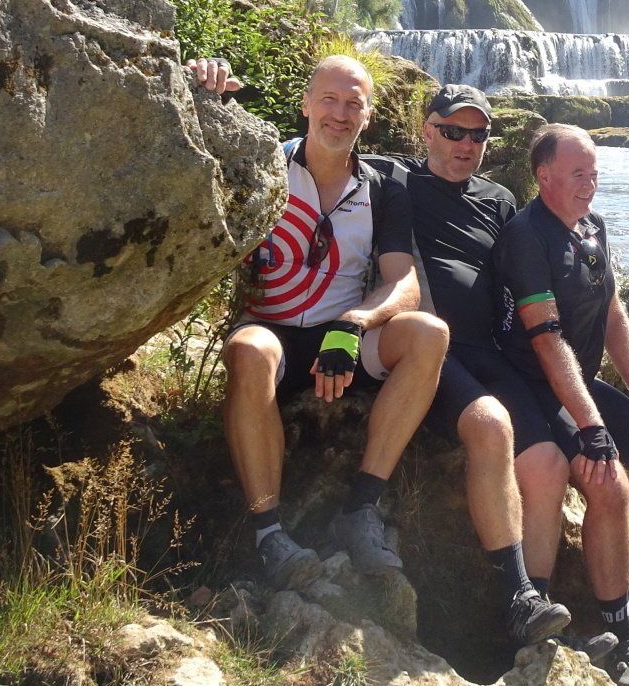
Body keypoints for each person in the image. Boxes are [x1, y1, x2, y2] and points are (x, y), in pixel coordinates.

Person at [189, 55, 449, 587]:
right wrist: (203, 90)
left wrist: (356, 323)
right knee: (249, 351)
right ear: (305, 104)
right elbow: (195, 157)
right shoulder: (264, 163)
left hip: (342, 335)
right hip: (272, 329)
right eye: (329, 99)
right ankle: (269, 535)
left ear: (367, 116)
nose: (340, 113)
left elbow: (404, 281)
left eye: (354, 103)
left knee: (430, 333)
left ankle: (360, 508)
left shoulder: (383, 188)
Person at [362, 84, 571, 647]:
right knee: (490, 426)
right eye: (453, 131)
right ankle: (516, 595)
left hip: (490, 351)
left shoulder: (500, 200)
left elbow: (534, 267)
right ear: (427, 130)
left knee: (549, 464)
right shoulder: (393, 178)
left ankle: (536, 612)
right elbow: (315, 150)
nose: (466, 144)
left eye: (478, 134)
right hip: (430, 350)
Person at [492, 123, 629, 686]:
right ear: (544, 175)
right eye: (578, 173)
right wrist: (591, 427)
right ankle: (616, 634)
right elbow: (546, 341)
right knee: (610, 483)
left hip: (578, 382)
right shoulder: (525, 237)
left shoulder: (592, 227)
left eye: (595, 173)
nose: (590, 184)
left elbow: (612, 313)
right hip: (534, 384)